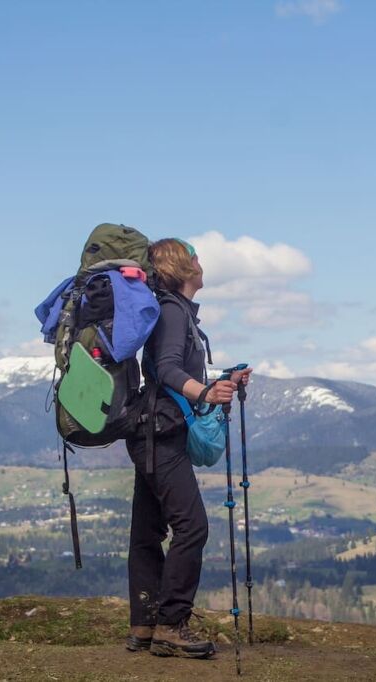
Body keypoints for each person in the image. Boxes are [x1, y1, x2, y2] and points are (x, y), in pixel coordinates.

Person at [124, 237, 252, 659]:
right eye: (195, 258)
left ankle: (144, 625)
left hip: (149, 432)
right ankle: (171, 625)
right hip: (161, 434)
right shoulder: (173, 310)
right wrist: (205, 394)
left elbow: (170, 368)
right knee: (192, 526)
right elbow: (166, 368)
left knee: (147, 531)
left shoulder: (168, 311)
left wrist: (220, 381)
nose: (201, 263)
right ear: (183, 268)